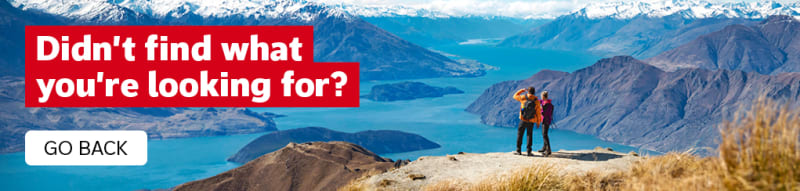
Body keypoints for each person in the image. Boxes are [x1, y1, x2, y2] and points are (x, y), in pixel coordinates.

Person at [512, 87, 542, 156]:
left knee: (520, 134)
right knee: (529, 135)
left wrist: (521, 90)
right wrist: (538, 122)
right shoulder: (536, 101)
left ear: (528, 92)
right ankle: (529, 151)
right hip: (531, 120)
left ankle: (518, 150)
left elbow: (514, 96)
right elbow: (538, 112)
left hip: (523, 119)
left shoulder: (523, 97)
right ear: (534, 92)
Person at [539, 91, 554, 156]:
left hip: (545, 120)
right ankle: (544, 147)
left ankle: (548, 150)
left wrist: (540, 109)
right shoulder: (549, 103)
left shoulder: (546, 105)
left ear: (543, 96)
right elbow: (539, 101)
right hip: (548, 120)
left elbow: (543, 113)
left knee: (544, 134)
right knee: (544, 134)